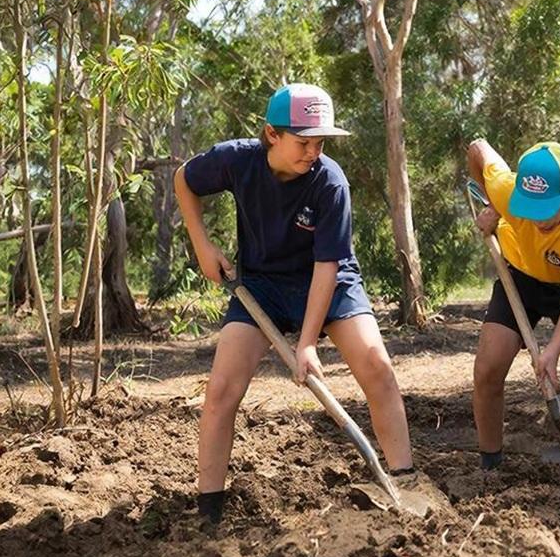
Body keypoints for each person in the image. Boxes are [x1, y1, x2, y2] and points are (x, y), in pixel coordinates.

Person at [174, 82, 414, 523]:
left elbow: (327, 267)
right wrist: (202, 246)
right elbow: (183, 179)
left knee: (378, 367)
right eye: (303, 142)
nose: (313, 152)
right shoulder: (236, 161)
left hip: (330, 281)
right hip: (261, 285)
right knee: (222, 389)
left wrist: (307, 343)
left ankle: (405, 482)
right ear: (272, 135)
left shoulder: (330, 183)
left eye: (320, 142)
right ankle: (209, 510)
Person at [466, 139, 560, 469]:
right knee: (488, 369)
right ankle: (491, 467)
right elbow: (478, 149)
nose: (538, 220)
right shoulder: (507, 189)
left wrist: (552, 352)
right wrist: (491, 202)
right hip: (519, 277)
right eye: (529, 206)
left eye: (546, 209)